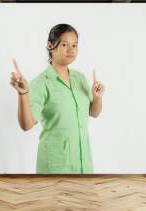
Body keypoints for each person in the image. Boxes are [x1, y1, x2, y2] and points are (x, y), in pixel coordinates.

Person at [9, 24, 105, 174]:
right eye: (65, 44)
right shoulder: (41, 83)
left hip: (83, 163)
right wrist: (23, 94)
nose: (71, 50)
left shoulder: (80, 79)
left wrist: (98, 98)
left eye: (74, 45)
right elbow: (26, 125)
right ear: (50, 46)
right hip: (55, 166)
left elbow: (93, 113)